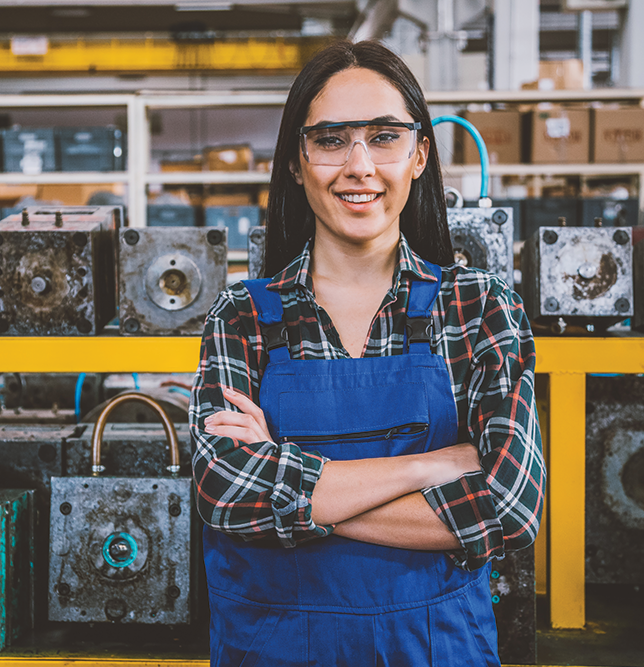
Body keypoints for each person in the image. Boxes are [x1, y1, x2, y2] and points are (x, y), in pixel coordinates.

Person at [189, 39, 545, 667]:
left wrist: (286, 477)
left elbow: (508, 509)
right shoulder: (241, 316)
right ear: (297, 163)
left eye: (383, 137)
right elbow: (223, 493)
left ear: (419, 155)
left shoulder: (477, 309)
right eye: (330, 140)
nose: (359, 166)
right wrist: (426, 467)